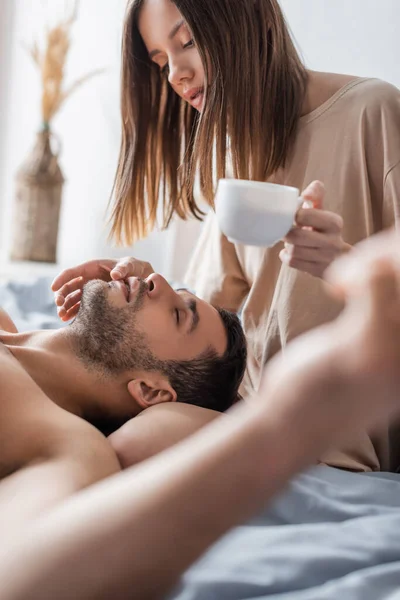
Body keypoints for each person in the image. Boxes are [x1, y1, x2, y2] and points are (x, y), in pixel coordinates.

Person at [53, 0, 400, 473]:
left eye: (188, 42)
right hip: (254, 416)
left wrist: (347, 264)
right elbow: (217, 329)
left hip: (331, 447)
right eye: (161, 62)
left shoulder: (372, 114)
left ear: (249, 17)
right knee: (90, 425)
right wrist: (137, 294)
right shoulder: (237, 152)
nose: (176, 75)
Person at [1, 227, 400, 600]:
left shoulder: (65, 446)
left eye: (178, 313)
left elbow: (25, 577)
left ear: (153, 391)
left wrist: (292, 412)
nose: (155, 281)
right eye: (175, 292)